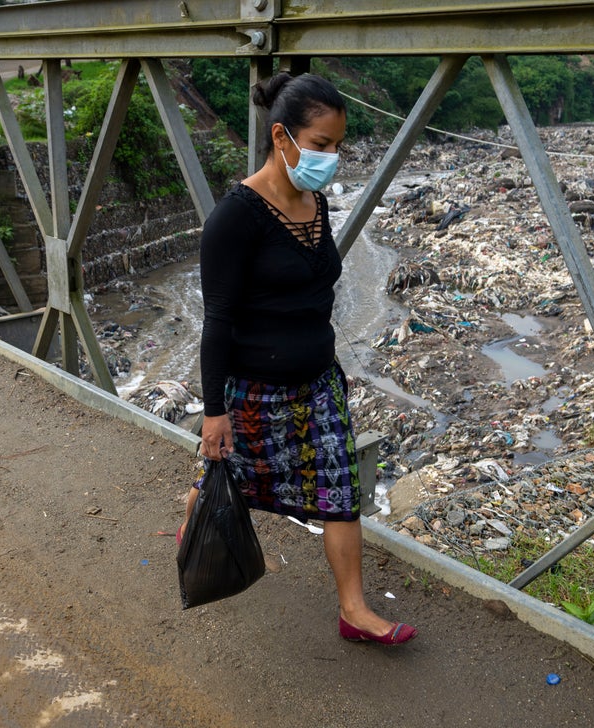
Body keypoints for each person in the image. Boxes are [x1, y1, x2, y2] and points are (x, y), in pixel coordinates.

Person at [177, 72, 416, 646]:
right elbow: (218, 321)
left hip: (318, 384)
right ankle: (196, 532)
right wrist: (214, 411)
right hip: (254, 390)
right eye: (321, 145)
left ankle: (354, 611)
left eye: (337, 147)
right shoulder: (235, 218)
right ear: (281, 137)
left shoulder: (315, 204)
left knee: (341, 492)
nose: (331, 158)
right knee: (224, 480)